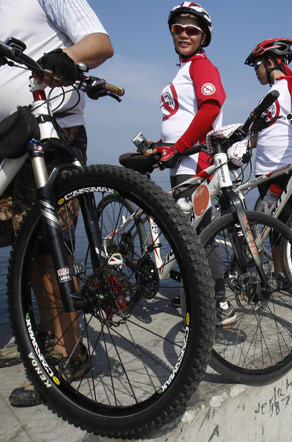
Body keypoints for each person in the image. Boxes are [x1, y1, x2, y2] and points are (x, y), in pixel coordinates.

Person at [0, 0, 114, 406]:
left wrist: (59, 59)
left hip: (51, 131)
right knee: (25, 249)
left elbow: (99, 43)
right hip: (9, 138)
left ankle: (69, 354)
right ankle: (40, 337)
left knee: (50, 249)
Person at [143, 3, 236, 326]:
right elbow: (180, 118)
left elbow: (210, 110)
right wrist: (162, 148)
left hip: (195, 160)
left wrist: (179, 147)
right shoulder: (183, 70)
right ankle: (192, 293)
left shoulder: (201, 66)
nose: (184, 34)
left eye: (192, 30)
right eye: (177, 28)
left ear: (203, 36)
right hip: (180, 161)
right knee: (188, 234)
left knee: (201, 234)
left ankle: (219, 301)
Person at [243, 37, 292, 284]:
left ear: (269, 62)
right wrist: (237, 144)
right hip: (264, 171)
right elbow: (259, 136)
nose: (256, 72)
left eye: (257, 66)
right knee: (273, 227)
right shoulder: (266, 97)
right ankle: (279, 274)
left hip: (286, 168)